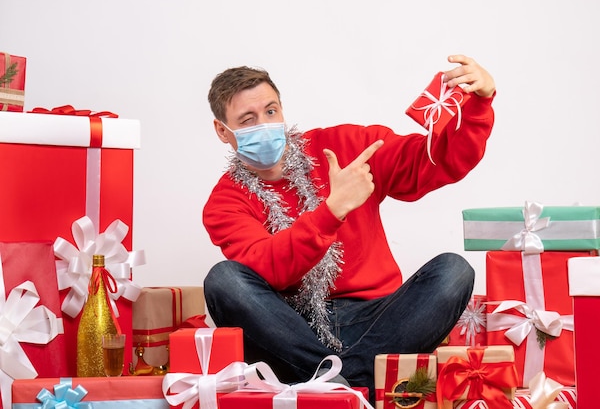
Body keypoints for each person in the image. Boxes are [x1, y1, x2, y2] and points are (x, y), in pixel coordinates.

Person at [202, 54, 496, 401]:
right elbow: (270, 268)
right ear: (223, 130)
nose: (265, 125)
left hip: (376, 320)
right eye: (247, 120)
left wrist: (478, 104)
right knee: (223, 280)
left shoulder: (343, 146)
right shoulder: (224, 202)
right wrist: (332, 210)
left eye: (270, 111)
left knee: (454, 271)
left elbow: (435, 162)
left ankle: (330, 387)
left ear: (282, 110)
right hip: (291, 330)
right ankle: (355, 385)